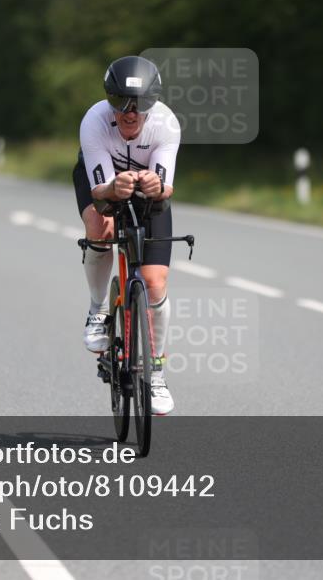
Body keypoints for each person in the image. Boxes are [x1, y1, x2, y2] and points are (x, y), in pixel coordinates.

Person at [73, 56, 180, 415]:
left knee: (154, 282)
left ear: (153, 106)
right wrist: (112, 187)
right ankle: (98, 308)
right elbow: (100, 192)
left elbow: (166, 189)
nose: (130, 113)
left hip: (147, 191)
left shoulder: (166, 124)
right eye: (121, 104)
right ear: (110, 102)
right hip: (105, 184)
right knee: (99, 227)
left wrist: (156, 184)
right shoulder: (94, 122)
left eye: (140, 105)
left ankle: (158, 372)